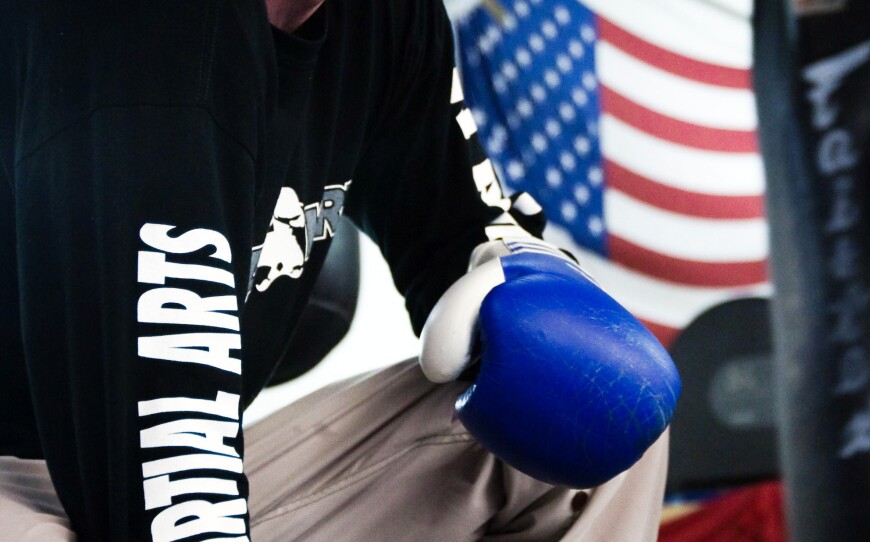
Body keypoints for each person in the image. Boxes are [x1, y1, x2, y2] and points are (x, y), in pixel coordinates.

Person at [0, 0, 673, 540]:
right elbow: (167, 445)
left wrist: (516, 279)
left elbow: (471, 235)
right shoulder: (137, 28)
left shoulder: (381, 21)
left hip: (194, 470)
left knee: (597, 400)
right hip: (31, 483)